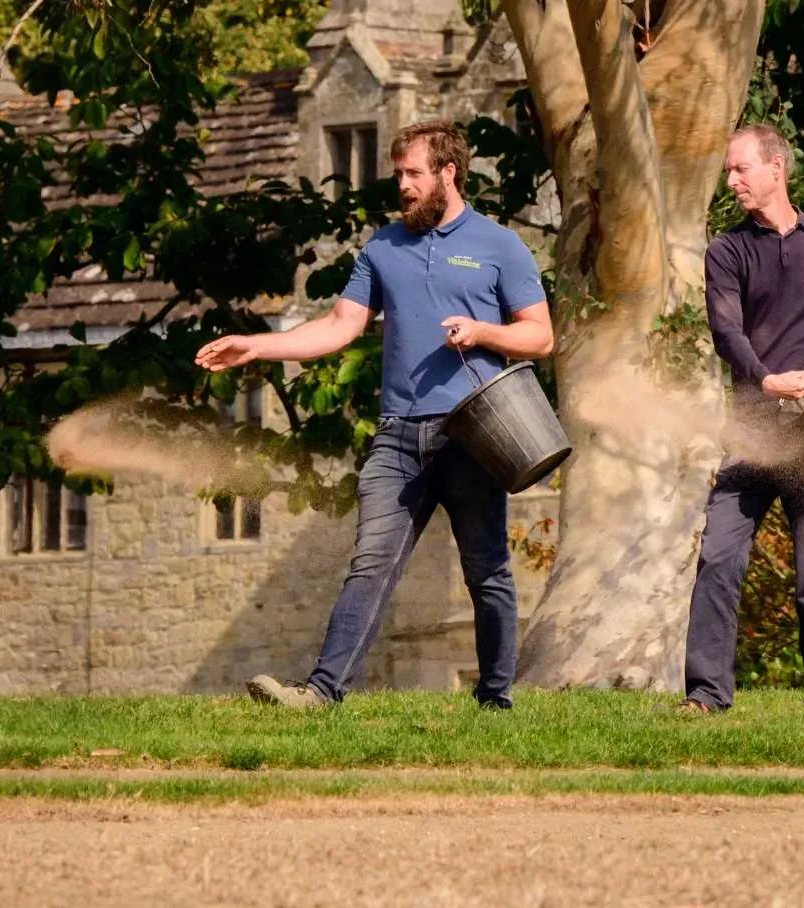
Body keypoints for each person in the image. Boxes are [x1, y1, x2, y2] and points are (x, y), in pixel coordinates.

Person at [199, 122, 555, 710]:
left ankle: (495, 701)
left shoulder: (500, 246)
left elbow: (540, 337)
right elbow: (340, 326)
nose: (404, 186)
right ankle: (320, 693)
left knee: (486, 572)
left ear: (448, 173)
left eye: (414, 174)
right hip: (397, 438)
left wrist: (483, 331)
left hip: (475, 434)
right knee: (370, 565)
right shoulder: (383, 248)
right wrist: (257, 345)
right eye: (399, 175)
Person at [676, 124, 804, 715]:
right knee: (718, 560)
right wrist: (765, 379)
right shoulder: (727, 250)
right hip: (750, 430)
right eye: (728, 172)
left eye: (740, 169)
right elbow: (726, 331)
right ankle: (707, 695)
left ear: (776, 167)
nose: (732, 180)